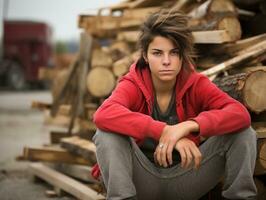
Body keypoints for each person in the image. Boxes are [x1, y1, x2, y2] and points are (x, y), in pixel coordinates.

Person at [92, 9, 257, 200]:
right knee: (106, 134)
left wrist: (188, 126)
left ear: (182, 57)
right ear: (145, 56)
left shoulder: (195, 83)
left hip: (187, 177)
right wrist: (164, 131)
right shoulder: (133, 83)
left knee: (244, 133)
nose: (166, 61)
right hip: (141, 180)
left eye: (174, 53)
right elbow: (103, 115)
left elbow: (240, 114)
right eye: (157, 53)